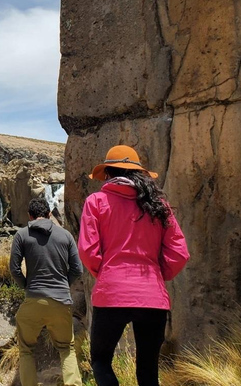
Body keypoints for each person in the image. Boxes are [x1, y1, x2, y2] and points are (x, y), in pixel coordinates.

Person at [78, 145, 189, 386]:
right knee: (148, 371)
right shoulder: (158, 204)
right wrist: (158, 276)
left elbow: (87, 250)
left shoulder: (96, 201)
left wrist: (107, 274)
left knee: (100, 361)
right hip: (153, 296)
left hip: (111, 294)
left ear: (107, 173)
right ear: (140, 174)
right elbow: (179, 252)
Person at [10, 197, 83, 386]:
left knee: (26, 349)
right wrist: (62, 285)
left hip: (33, 299)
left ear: (30, 216)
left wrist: (27, 286)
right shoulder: (65, 235)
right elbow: (77, 269)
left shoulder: (22, 235)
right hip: (61, 301)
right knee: (67, 348)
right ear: (50, 214)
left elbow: (14, 269)